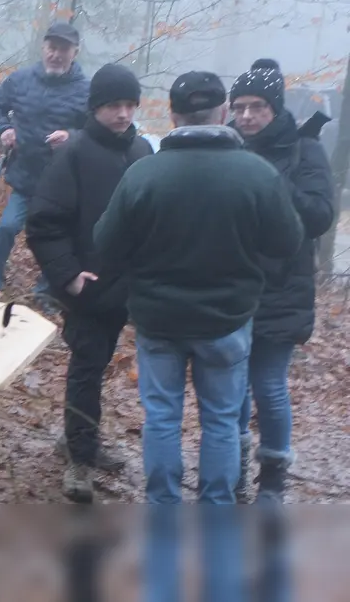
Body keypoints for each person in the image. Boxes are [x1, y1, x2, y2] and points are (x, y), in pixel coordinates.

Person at [93, 71, 303, 504]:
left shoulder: (144, 174)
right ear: (224, 112)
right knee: (223, 422)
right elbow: (288, 241)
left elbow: (104, 244)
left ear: (172, 115)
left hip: (158, 321)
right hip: (227, 322)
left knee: (162, 420)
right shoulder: (257, 174)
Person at [24, 63, 153, 503]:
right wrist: (67, 275)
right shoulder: (74, 154)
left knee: (98, 370)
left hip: (130, 288)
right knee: (85, 370)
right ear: (95, 107)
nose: (122, 114)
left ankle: (82, 440)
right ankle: (79, 458)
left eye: (129, 105)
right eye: (113, 105)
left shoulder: (142, 153)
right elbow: (43, 223)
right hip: (88, 288)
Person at [227, 58, 335, 502]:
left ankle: (272, 475)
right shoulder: (227, 147)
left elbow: (320, 216)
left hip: (283, 289)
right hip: (230, 287)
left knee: (267, 385)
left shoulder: (303, 150)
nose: (247, 116)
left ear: (274, 107)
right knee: (230, 387)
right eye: (240, 107)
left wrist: (270, 179)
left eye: (257, 107)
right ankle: (231, 466)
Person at [0, 21, 90, 304]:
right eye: (52, 48)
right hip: (25, 177)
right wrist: (4, 128)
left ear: (74, 52)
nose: (56, 55)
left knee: (56, 238)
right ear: (43, 48)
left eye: (63, 49)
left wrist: (71, 135)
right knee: (6, 228)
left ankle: (46, 292)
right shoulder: (21, 79)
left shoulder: (85, 90)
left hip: (61, 183)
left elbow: (94, 131)